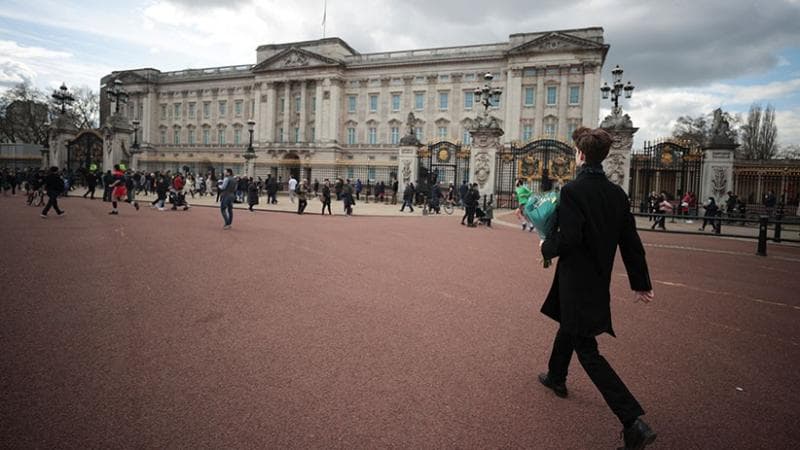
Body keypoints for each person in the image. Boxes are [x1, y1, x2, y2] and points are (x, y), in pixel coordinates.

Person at [538, 127, 656, 450]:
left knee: (588, 352)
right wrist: (641, 283)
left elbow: (569, 238)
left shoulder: (573, 191)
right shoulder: (617, 194)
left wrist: (545, 246)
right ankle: (556, 375)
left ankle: (632, 421)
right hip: (597, 281)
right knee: (569, 326)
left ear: (580, 155)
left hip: (576, 281)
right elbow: (630, 242)